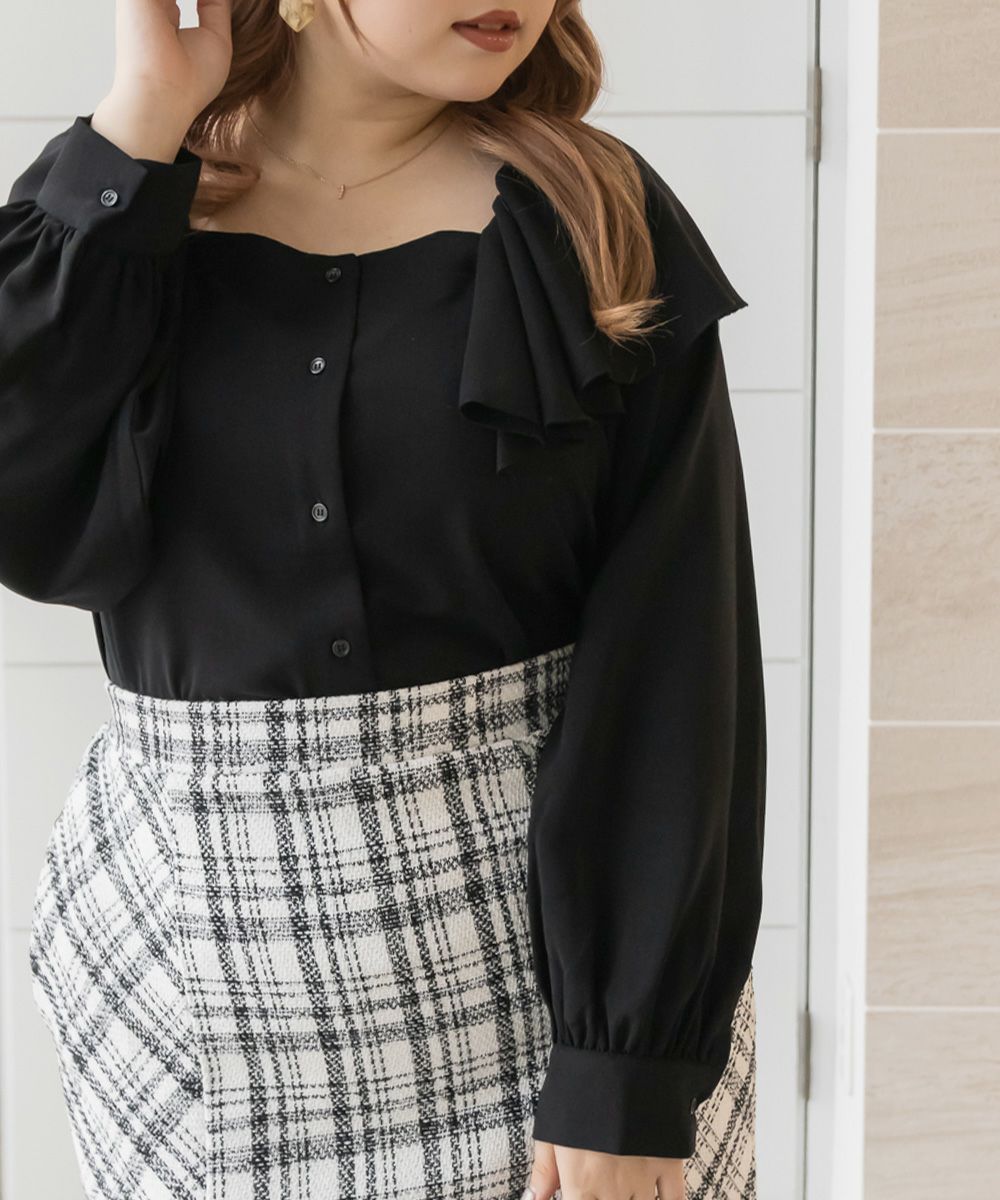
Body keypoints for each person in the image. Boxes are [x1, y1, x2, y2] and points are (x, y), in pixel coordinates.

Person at [0, 0, 767, 1196]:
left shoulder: (592, 213)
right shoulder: (115, 205)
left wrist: (623, 1070)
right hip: (187, 960)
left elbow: (677, 651)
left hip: (534, 969)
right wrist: (144, 115)